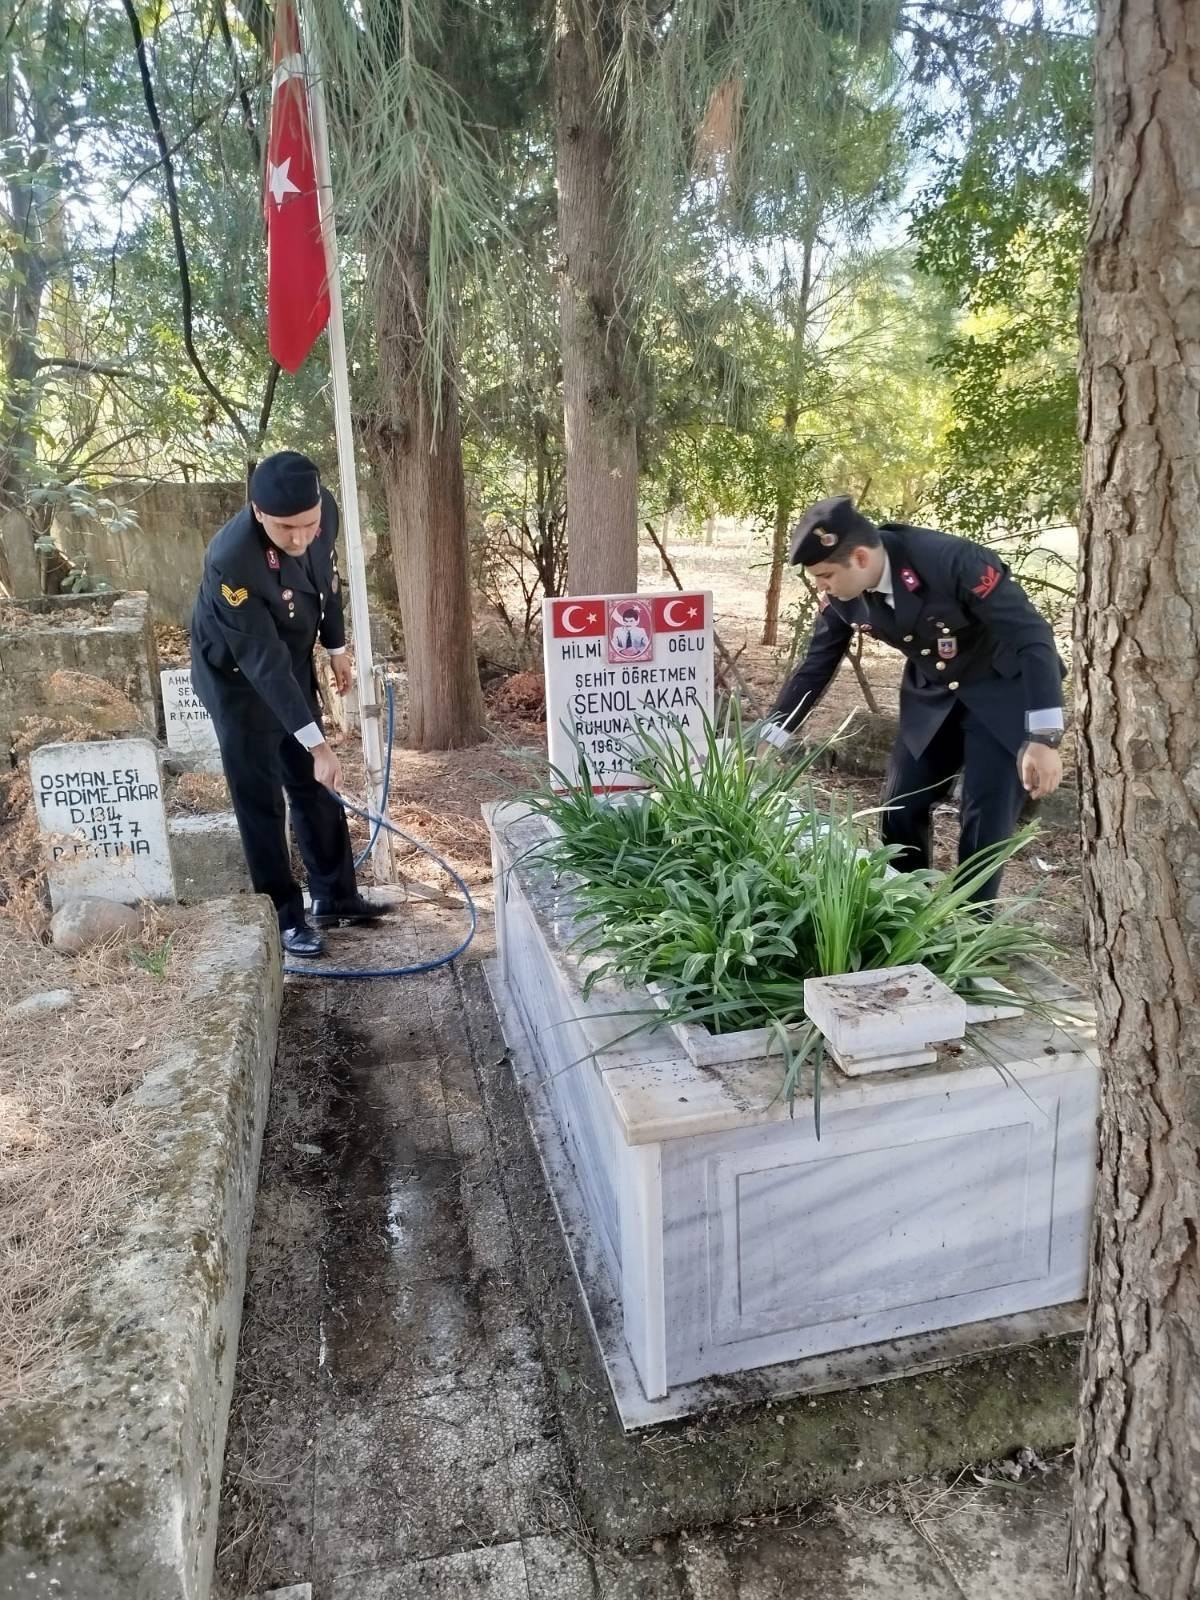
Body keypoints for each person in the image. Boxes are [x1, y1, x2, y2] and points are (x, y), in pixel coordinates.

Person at [758, 495, 1066, 903]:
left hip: (1002, 691)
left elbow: (1034, 639)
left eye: (826, 574)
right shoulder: (843, 596)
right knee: (899, 806)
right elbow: (816, 664)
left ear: (862, 558)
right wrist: (772, 735)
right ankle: (905, 908)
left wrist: (1044, 737)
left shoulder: (954, 562)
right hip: (933, 694)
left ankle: (972, 934)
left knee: (984, 822)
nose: (822, 585)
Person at [190, 450, 388, 957]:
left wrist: (336, 647)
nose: (300, 538)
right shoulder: (231, 561)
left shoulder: (324, 512)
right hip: (238, 678)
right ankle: (283, 916)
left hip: (291, 657)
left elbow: (327, 581)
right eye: (285, 529)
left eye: (309, 525)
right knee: (261, 798)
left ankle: (335, 896)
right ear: (258, 512)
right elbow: (263, 663)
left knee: (315, 786)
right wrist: (318, 743)